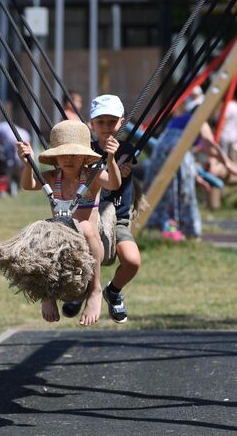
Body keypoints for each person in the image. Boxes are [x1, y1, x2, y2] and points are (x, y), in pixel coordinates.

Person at [16, 119, 121, 326]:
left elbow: (114, 183)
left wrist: (111, 159)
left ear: (85, 157)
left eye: (75, 154)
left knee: (84, 226)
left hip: (90, 241)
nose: (69, 159)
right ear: (55, 158)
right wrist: (27, 165)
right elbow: (28, 185)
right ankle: (48, 295)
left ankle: (95, 289)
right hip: (61, 243)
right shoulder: (52, 177)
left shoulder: (92, 176)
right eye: (64, 154)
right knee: (41, 232)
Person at [144, 96, 237, 239]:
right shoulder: (199, 119)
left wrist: (198, 178)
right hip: (176, 151)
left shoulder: (179, 120)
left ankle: (162, 225)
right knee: (183, 192)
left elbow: (186, 157)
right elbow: (210, 144)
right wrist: (227, 163)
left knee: (164, 192)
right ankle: (187, 229)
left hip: (160, 155)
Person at [88, 94, 141, 324]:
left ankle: (113, 291)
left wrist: (115, 161)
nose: (106, 127)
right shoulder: (85, 151)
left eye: (112, 122)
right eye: (101, 122)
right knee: (87, 255)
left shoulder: (127, 150)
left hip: (117, 217)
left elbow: (117, 180)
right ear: (91, 124)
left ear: (121, 122)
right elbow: (101, 180)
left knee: (132, 261)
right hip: (89, 216)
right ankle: (82, 291)